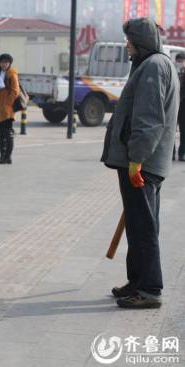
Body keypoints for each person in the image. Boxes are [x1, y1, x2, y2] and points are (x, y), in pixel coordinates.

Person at [101, 18, 180, 309]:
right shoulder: (152, 65)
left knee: (144, 227)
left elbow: (149, 120)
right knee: (137, 224)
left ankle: (149, 289)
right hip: (144, 162)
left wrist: (136, 159)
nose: (127, 46)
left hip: (142, 165)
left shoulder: (153, 67)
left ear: (141, 42)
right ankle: (136, 281)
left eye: (130, 41)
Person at [0, 53, 20, 164]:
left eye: (6, 62)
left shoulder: (11, 74)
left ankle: (7, 157)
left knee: (7, 134)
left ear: (9, 63)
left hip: (6, 110)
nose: (3, 64)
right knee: (0, 134)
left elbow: (15, 91)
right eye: (2, 62)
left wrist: (7, 104)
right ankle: (2, 156)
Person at [176, 52, 185, 161]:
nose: (179, 63)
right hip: (175, 104)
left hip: (183, 106)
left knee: (183, 130)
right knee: (170, 130)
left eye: (181, 61)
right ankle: (171, 153)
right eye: (178, 61)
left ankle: (182, 153)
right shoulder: (174, 72)